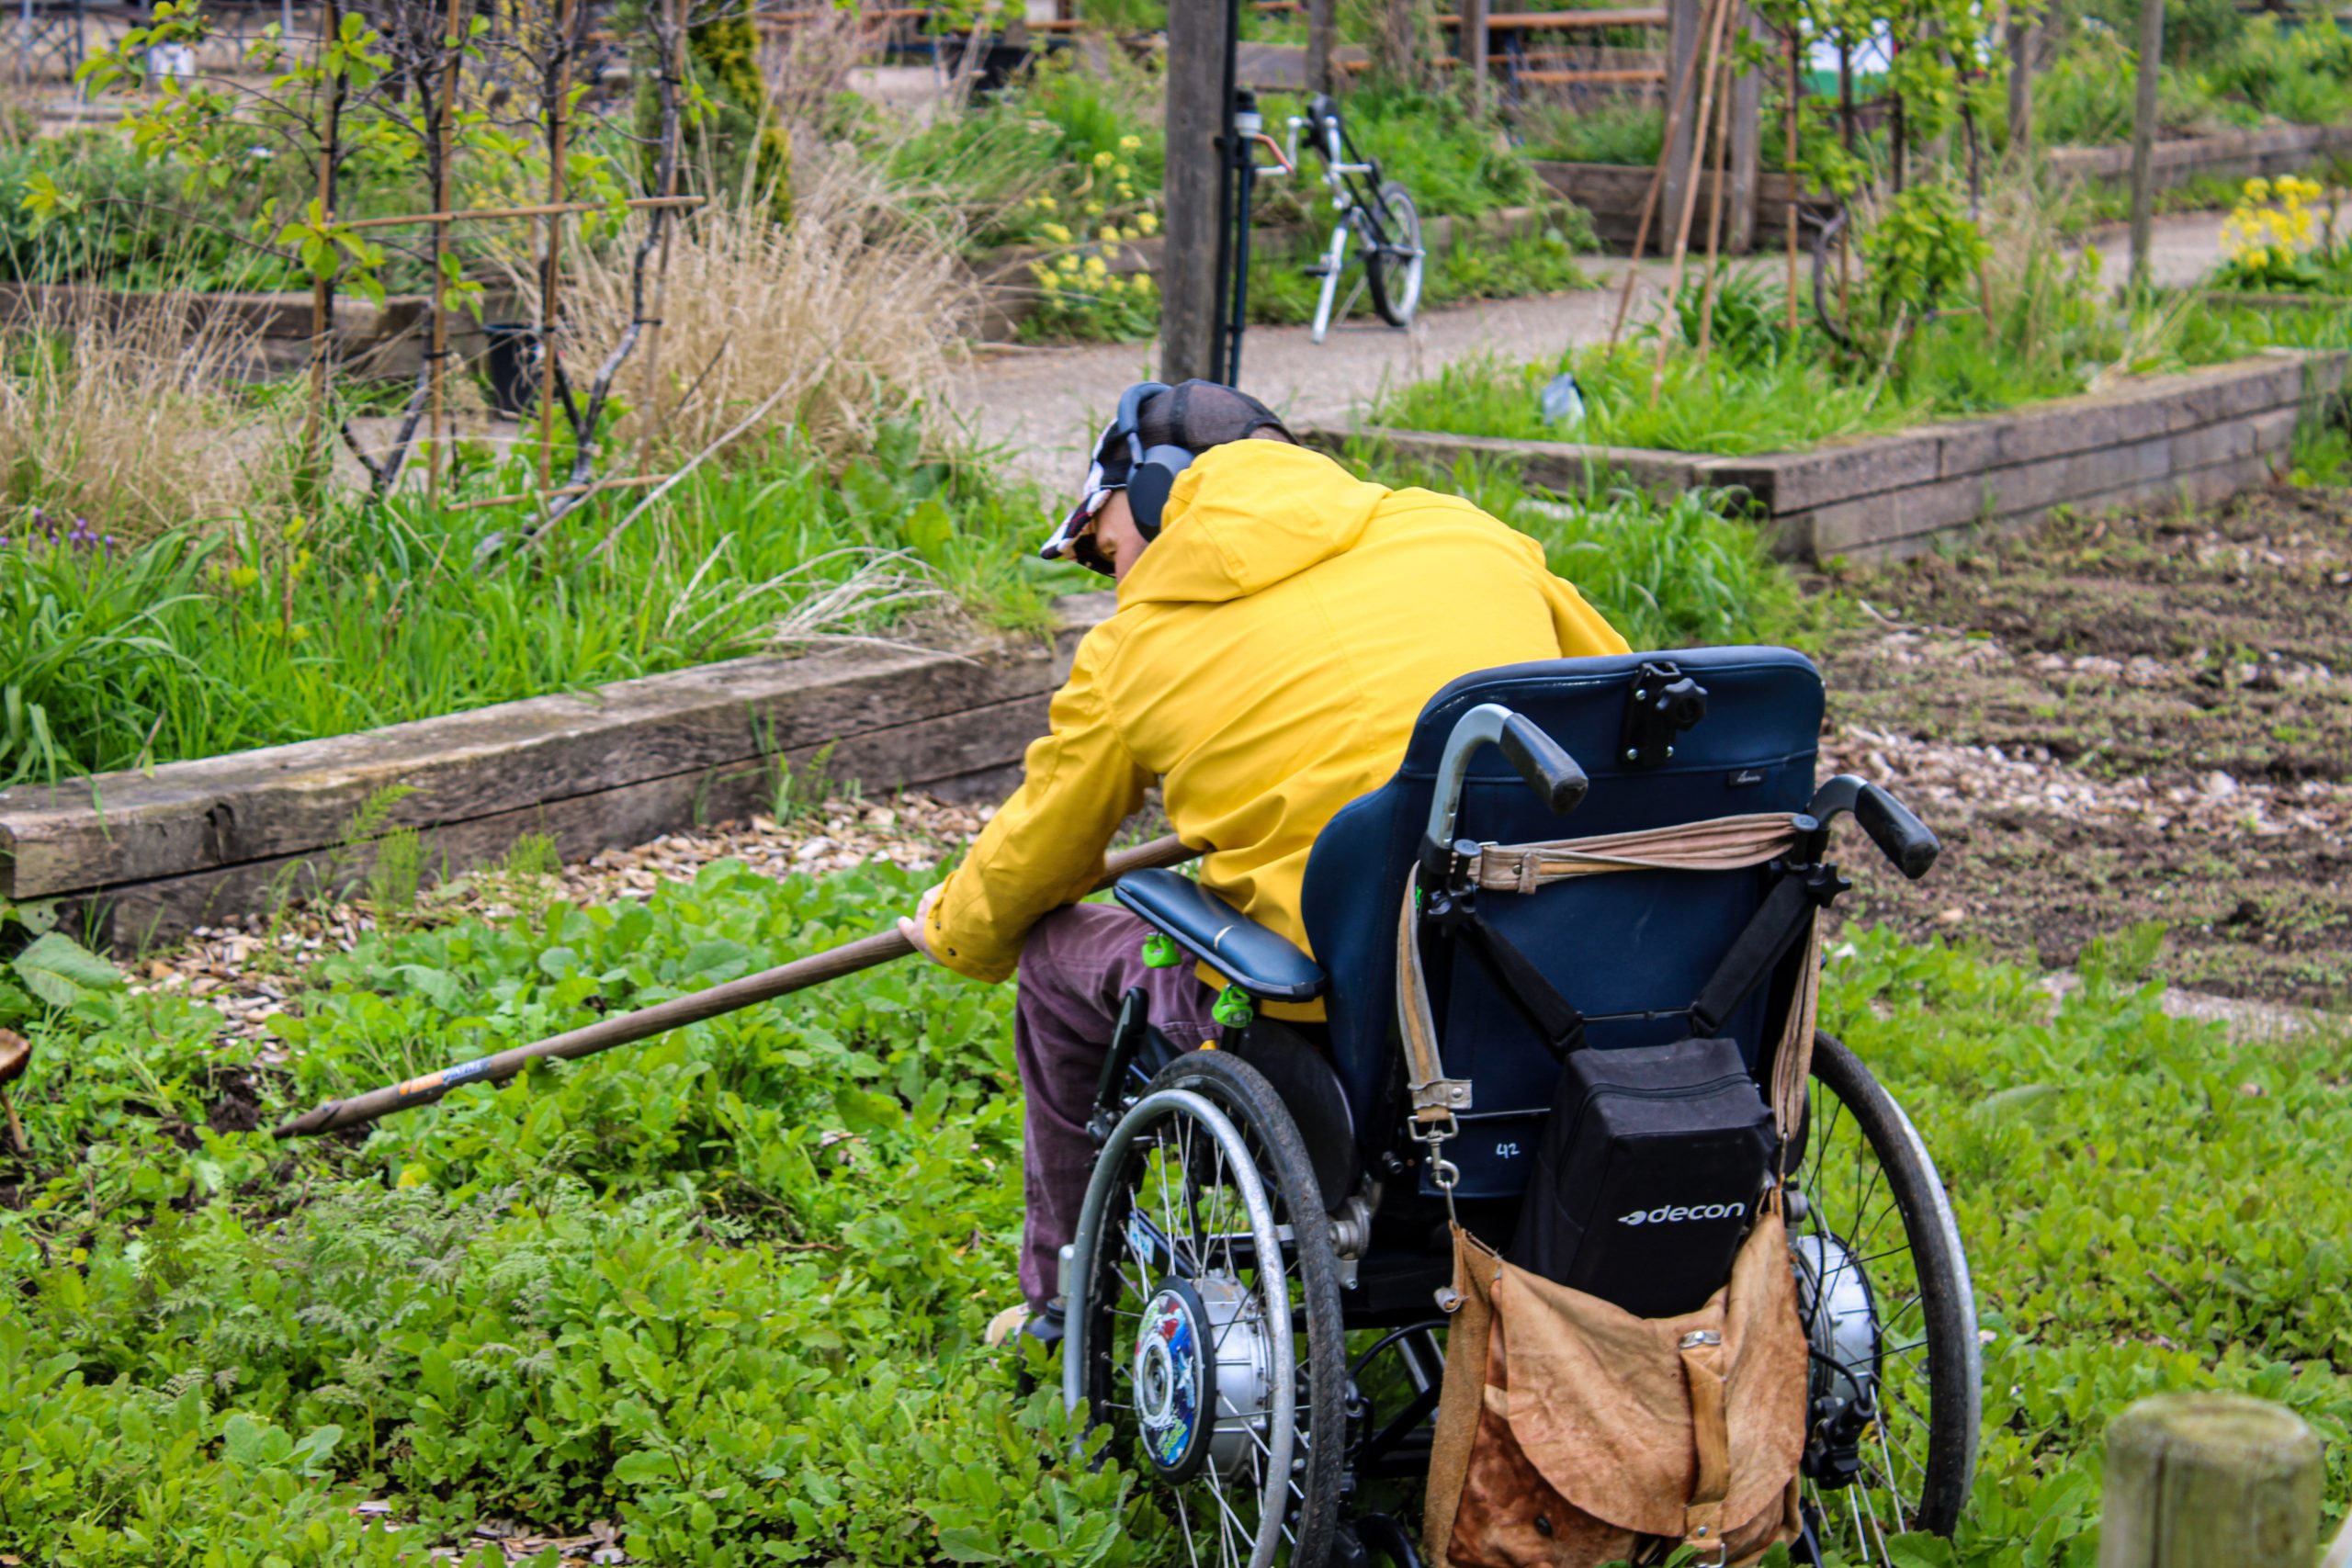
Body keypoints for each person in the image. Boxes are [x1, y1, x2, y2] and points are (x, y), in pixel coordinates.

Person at [896, 379, 1630, 1345]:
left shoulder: (1134, 647)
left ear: (1156, 496)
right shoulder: (1470, 535)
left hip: (1337, 1029)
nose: (1109, 578)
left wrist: (951, 927)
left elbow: (1040, 854)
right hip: (1572, 973)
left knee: (1056, 951)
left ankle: (1061, 1303)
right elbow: (1617, 703)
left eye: (1106, 548)